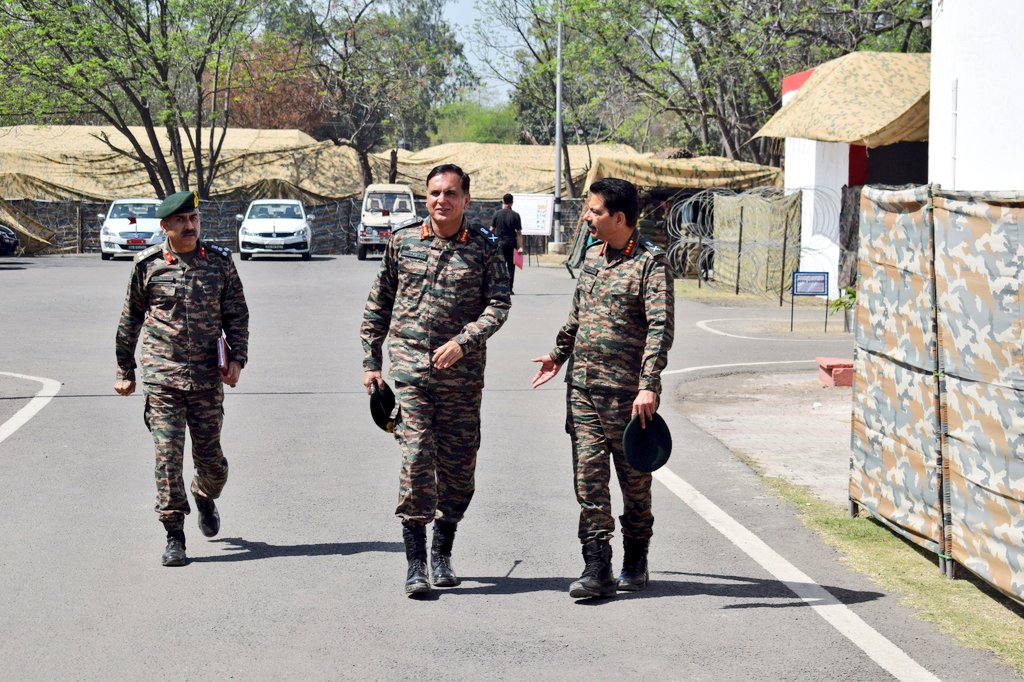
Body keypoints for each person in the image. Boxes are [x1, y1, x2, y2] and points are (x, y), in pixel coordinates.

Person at [360, 164, 511, 596]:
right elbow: (378, 303)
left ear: (466, 199)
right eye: (433, 193)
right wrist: (371, 361)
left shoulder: (485, 248)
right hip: (411, 375)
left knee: (459, 471)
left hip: (462, 380)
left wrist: (464, 341)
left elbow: (498, 305)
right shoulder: (403, 241)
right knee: (417, 461)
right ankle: (415, 565)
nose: (440, 201)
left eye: (450, 194)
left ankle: (443, 551)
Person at [531, 177, 674, 598]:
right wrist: (558, 355)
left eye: (594, 211)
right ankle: (596, 567)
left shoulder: (651, 264)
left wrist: (648, 386)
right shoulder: (591, 257)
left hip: (631, 399)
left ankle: (636, 557)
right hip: (584, 391)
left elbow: (660, 329)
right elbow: (578, 316)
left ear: (620, 217)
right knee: (589, 480)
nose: (587, 217)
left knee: (635, 484)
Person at [114, 190, 249, 567]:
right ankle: (174, 534)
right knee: (167, 457)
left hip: (207, 380)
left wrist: (238, 358)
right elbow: (130, 321)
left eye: (194, 219)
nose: (190, 226)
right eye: (181, 221)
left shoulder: (219, 263)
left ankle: (204, 494)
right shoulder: (148, 265)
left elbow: (237, 315)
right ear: (166, 226)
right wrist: (126, 371)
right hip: (162, 379)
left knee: (212, 462)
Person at [489, 193, 524, 294]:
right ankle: (509, 289)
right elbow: (519, 233)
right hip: (511, 243)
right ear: (512, 202)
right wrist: (520, 247)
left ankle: (498, 288)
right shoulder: (516, 215)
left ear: (503, 201)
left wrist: (490, 243)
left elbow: (491, 230)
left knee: (499, 266)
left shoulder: (497, 214)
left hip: (499, 244)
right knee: (511, 267)